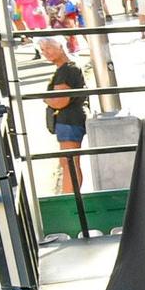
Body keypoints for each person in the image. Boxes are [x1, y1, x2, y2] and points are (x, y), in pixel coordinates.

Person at [38, 39, 86, 194]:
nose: (46, 52)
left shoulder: (67, 70)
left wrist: (45, 98)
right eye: (43, 50)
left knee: (69, 162)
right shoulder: (67, 68)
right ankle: (70, 196)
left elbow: (60, 101)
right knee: (68, 161)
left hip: (69, 121)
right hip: (68, 121)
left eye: (49, 48)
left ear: (60, 46)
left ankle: (69, 198)